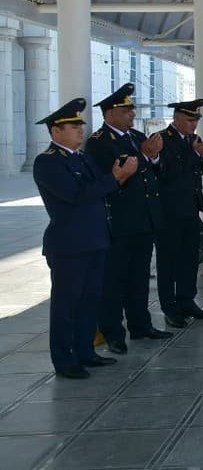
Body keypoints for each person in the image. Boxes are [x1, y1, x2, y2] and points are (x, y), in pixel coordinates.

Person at [33, 98, 138, 378]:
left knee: (90, 299)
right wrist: (115, 178)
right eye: (73, 126)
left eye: (81, 126)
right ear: (56, 132)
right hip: (69, 245)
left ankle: (84, 351)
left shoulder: (82, 158)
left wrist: (117, 179)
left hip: (95, 239)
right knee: (67, 304)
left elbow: (100, 191)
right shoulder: (48, 162)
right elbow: (77, 195)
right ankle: (64, 360)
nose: (81, 131)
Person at [86, 84, 173, 355]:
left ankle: (141, 324)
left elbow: (153, 171)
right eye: (126, 111)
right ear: (110, 113)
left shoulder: (136, 136)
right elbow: (112, 176)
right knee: (114, 280)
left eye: (132, 109)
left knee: (138, 277)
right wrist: (145, 155)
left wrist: (154, 156)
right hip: (120, 222)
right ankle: (113, 332)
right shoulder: (99, 143)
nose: (132, 114)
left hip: (144, 220)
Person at [156, 99, 203, 328]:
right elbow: (166, 172)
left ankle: (187, 301)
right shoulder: (162, 139)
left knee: (189, 259)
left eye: (196, 120)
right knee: (168, 262)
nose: (194, 124)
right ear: (177, 118)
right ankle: (169, 308)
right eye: (190, 119)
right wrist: (195, 154)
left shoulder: (195, 140)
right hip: (169, 212)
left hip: (191, 210)